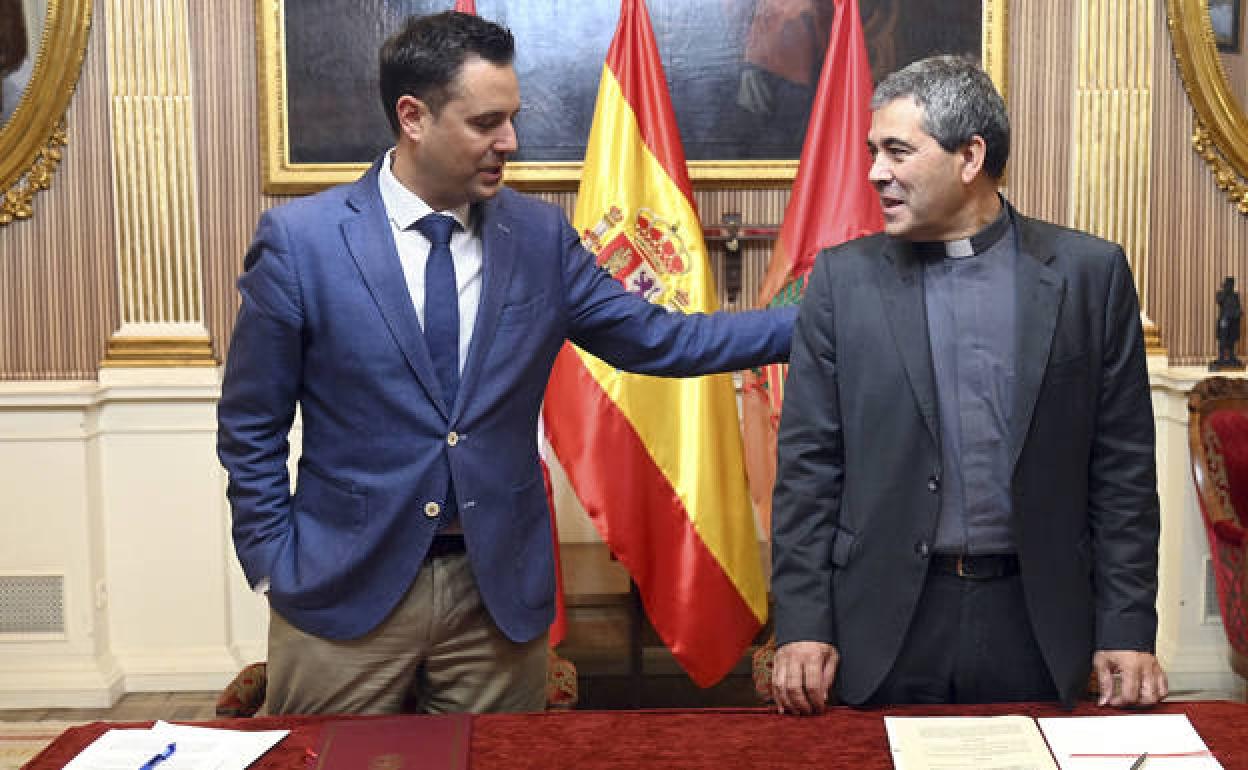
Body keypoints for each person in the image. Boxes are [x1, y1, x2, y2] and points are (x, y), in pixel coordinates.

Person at [216, 11, 795, 716]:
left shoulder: (539, 238)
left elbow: (662, 341)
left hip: (494, 596)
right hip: (342, 588)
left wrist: (816, 324)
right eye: (487, 121)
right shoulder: (301, 242)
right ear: (413, 117)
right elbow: (251, 423)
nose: (510, 142)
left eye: (512, 119)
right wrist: (273, 559)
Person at [769, 55, 1167, 713]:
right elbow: (808, 470)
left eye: (897, 151)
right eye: (873, 151)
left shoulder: (1090, 276)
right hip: (885, 622)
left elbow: (1122, 469)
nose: (875, 173)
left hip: (1038, 622)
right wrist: (804, 622)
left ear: (970, 156)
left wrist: (1126, 622)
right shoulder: (842, 282)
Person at [1213, 276, 1242, 368]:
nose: (1231, 286)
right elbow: (1219, 301)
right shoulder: (1220, 294)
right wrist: (1225, 290)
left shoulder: (1235, 295)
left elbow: (1238, 306)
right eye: (1229, 284)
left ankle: (1231, 357)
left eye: (1232, 285)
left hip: (1233, 321)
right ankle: (1221, 358)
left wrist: (1239, 312)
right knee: (1223, 339)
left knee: (1231, 340)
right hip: (1224, 320)